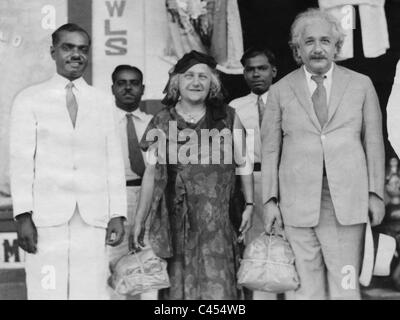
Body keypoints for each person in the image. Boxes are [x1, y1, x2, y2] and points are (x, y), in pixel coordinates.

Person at [261, 8, 385, 300]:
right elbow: (269, 150)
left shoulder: (361, 85)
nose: (318, 48)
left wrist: (375, 193)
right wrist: (269, 200)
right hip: (295, 203)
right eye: (309, 42)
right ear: (297, 49)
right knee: (304, 287)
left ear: (337, 47)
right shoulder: (279, 91)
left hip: (346, 200)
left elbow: (374, 143)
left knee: (345, 283)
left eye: (325, 41)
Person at [9, 23, 127, 300]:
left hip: (92, 215)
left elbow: (113, 160)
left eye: (82, 49)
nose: (76, 55)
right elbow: (21, 161)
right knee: (46, 289)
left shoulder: (102, 101)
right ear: (53, 52)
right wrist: (23, 214)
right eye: (68, 47)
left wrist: (117, 214)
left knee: (92, 290)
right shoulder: (30, 99)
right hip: (46, 217)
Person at [130, 50, 254, 300]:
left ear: (213, 84)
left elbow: (244, 163)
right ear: (176, 81)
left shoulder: (229, 117)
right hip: (175, 225)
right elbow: (151, 173)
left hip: (218, 223)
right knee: (178, 294)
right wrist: (140, 219)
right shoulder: (162, 121)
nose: (196, 82)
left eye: (203, 77)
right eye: (189, 76)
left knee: (221, 291)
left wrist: (250, 204)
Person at [230, 46, 277, 300]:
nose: (256, 74)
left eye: (262, 68)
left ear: (274, 71)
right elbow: (235, 155)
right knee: (257, 248)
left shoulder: (289, 100)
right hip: (251, 182)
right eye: (250, 69)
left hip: (285, 181)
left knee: (291, 245)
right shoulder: (235, 108)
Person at [108, 65, 157, 300]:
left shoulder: (153, 124)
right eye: (121, 83)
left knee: (149, 264)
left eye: (134, 83)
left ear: (143, 89)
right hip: (113, 198)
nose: (128, 87)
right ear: (113, 88)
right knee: (114, 264)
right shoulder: (102, 126)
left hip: (148, 198)